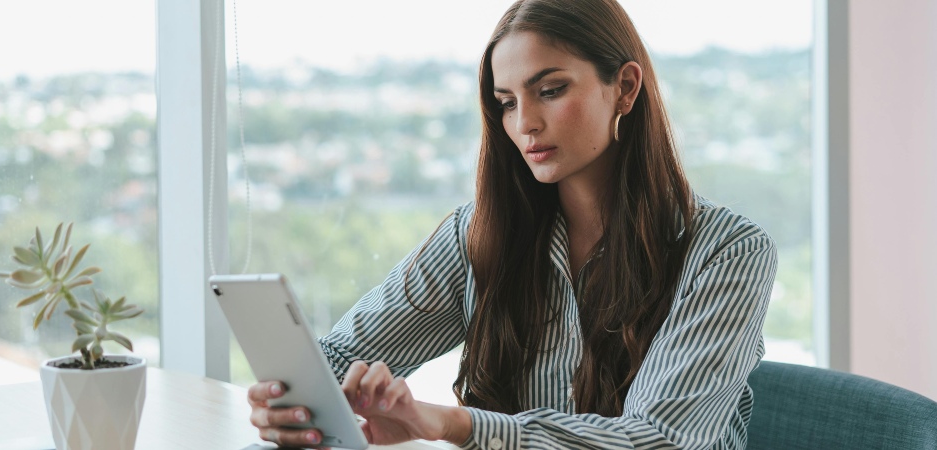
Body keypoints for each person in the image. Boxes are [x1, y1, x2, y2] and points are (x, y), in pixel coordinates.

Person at [247, 0, 777, 448]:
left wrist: (452, 423)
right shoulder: (479, 235)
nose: (524, 124)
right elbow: (341, 357)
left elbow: (656, 438)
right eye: (506, 103)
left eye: (550, 90)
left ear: (625, 87)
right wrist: (293, 402)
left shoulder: (727, 252)